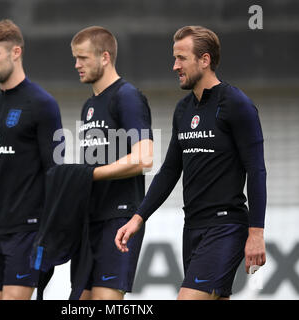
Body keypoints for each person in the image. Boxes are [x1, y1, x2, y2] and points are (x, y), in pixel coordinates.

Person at [115, 25, 267, 300]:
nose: (175, 66)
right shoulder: (183, 109)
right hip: (192, 227)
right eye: (175, 58)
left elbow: (256, 171)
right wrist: (138, 217)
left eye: (181, 58)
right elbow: (170, 170)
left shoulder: (236, 104)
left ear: (205, 60)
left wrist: (256, 232)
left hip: (225, 226)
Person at [0, 19, 63, 300]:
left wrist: (50, 229)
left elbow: (55, 170)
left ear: (16, 52)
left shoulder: (43, 104)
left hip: (29, 231)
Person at [71, 26, 154, 300]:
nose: (77, 65)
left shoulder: (127, 96)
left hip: (118, 219)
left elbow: (145, 157)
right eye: (75, 58)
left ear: (105, 57)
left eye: (83, 58)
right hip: (90, 223)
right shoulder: (89, 106)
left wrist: (91, 174)